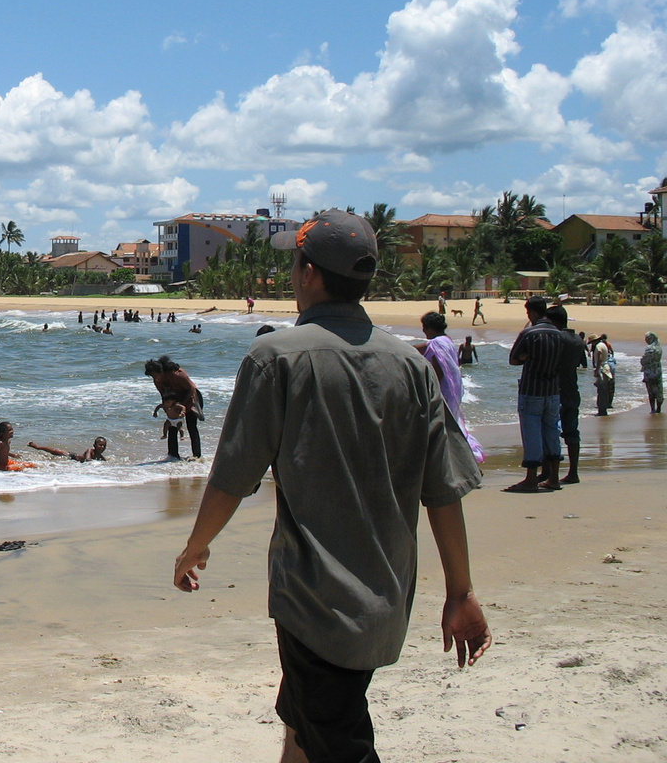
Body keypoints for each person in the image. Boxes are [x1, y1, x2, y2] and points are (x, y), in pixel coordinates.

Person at [172, 210, 489, 763]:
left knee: (338, 741)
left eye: (295, 266)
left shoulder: (277, 357)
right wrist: (460, 592)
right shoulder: (409, 366)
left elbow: (233, 474)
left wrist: (196, 546)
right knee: (302, 725)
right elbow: (443, 490)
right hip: (387, 596)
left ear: (309, 273)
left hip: (314, 601)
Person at [506, 296, 564, 492]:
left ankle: (531, 478)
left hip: (532, 390)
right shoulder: (558, 334)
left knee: (532, 434)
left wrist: (526, 357)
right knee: (552, 431)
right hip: (553, 390)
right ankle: (554, 477)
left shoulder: (529, 333)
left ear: (532, 312)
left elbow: (513, 360)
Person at [417, 312, 485, 465]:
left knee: (443, 431)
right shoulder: (447, 341)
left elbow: (438, 372)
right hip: (454, 392)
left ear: (429, 328)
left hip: (444, 394)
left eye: (424, 327)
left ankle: (460, 463)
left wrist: (431, 393)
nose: (423, 331)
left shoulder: (436, 344)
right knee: (452, 427)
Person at [543, 306, 588, 484]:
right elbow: (582, 363)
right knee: (572, 432)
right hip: (572, 389)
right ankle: (573, 472)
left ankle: (549, 472)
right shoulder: (577, 339)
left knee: (550, 430)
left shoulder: (557, 338)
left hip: (556, 390)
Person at [146, 355, 203, 460]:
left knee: (191, 426)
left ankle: (197, 455)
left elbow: (191, 390)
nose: (155, 378)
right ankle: (173, 456)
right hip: (174, 400)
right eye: (152, 377)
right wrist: (168, 408)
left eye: (155, 375)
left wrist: (182, 404)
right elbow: (163, 395)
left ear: (161, 371)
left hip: (191, 398)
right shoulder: (157, 381)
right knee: (172, 425)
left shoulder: (177, 375)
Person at [28, 436, 107, 462]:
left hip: (74, 461)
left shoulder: (101, 457)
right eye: (100, 445)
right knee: (55, 451)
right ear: (94, 445)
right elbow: (88, 459)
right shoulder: (90, 451)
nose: (102, 447)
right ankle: (37, 447)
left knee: (54, 456)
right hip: (73, 456)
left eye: (104, 446)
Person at [590, 334, 615, 415]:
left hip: (602, 369)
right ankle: (603, 409)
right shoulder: (603, 344)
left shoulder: (598, 346)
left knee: (601, 390)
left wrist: (597, 369)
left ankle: (602, 410)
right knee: (604, 390)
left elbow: (600, 356)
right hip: (605, 367)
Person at [643, 332, 663, 414]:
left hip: (649, 372)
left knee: (651, 391)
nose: (645, 340)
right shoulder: (659, 348)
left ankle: (652, 409)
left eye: (646, 338)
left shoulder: (650, 348)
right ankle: (659, 408)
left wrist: (642, 361)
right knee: (658, 390)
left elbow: (645, 361)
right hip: (657, 371)